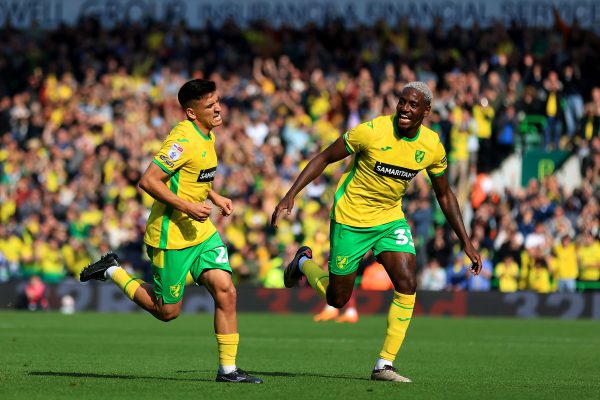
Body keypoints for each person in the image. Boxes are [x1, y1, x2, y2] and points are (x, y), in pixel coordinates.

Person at [271, 82, 482, 383]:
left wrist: (466, 241)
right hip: (350, 217)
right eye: (402, 102)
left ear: (426, 111)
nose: (405, 109)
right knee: (337, 299)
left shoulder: (432, 146)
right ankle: (303, 262)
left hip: (389, 219)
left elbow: (445, 194)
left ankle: (384, 365)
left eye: (413, 104)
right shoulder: (371, 131)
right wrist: (291, 194)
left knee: (408, 281)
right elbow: (324, 157)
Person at [80, 79, 262, 384]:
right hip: (171, 237)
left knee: (226, 291)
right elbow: (149, 181)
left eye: (217, 101)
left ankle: (228, 371)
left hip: (201, 233)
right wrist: (188, 207)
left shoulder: (207, 134)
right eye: (209, 106)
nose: (218, 108)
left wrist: (214, 197)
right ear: (192, 113)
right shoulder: (183, 140)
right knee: (167, 312)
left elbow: (195, 178)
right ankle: (113, 270)